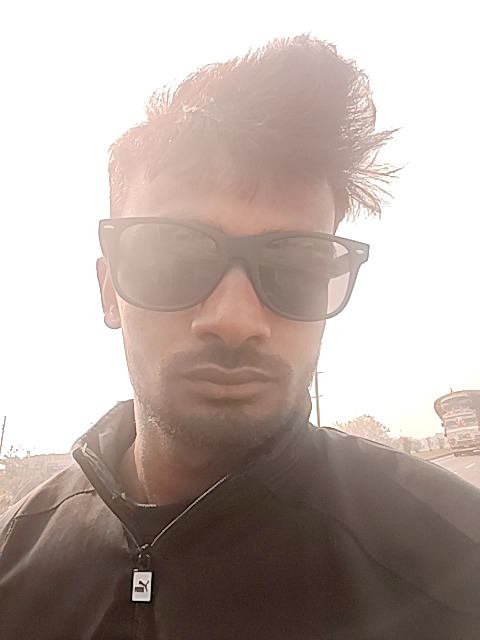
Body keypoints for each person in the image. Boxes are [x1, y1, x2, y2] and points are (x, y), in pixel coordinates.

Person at [1, 35, 480, 640]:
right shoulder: (16, 559)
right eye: (175, 257)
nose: (235, 319)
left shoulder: (457, 565)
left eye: (296, 266)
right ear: (108, 290)